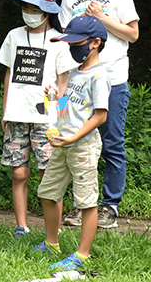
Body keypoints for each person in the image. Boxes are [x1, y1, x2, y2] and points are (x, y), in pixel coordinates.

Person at [58, 0, 139, 229]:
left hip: (113, 78)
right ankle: (84, 204)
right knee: (78, 141)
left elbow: (133, 34)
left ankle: (110, 206)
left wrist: (102, 18)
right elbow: (67, 41)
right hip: (79, 81)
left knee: (112, 142)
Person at [0, 0, 76, 240]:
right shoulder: (13, 36)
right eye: (26, 7)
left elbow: (64, 82)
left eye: (35, 8)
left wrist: (58, 114)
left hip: (46, 120)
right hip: (16, 115)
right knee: (19, 173)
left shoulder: (58, 40)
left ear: (47, 10)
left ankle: (55, 229)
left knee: (48, 175)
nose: (29, 13)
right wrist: (5, 111)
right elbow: (8, 74)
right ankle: (21, 226)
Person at [32, 15, 110, 271]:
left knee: (86, 201)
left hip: (83, 147)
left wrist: (74, 137)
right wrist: (52, 99)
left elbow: (100, 115)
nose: (72, 49)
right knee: (47, 192)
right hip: (62, 144)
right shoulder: (75, 73)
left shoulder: (99, 76)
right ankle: (51, 242)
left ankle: (82, 254)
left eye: (77, 44)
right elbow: (64, 107)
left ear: (95, 43)